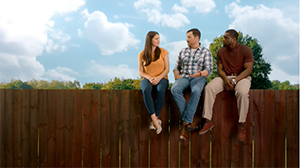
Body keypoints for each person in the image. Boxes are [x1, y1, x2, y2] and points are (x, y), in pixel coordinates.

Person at [198, 29, 254, 142]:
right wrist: (224, 79)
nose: (223, 39)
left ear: (233, 39)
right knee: (209, 88)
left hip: (242, 77)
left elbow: (248, 69)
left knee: (242, 93)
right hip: (226, 77)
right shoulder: (221, 51)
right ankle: (208, 120)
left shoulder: (246, 50)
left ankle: (241, 124)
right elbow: (219, 69)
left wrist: (236, 80)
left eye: (225, 38)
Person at [171, 28, 212, 141]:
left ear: (196, 38)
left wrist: (200, 73)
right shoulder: (182, 51)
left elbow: (208, 70)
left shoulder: (205, 52)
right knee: (174, 89)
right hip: (184, 77)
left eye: (189, 37)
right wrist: (176, 74)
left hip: (198, 78)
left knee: (196, 90)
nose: (186, 39)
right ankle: (188, 121)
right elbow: (176, 68)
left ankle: (185, 122)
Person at [138, 31, 170, 135]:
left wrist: (158, 78)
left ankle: (154, 121)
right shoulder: (142, 54)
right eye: (156, 38)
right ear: (150, 40)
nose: (158, 41)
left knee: (161, 90)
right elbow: (140, 72)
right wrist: (149, 77)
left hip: (162, 78)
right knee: (146, 89)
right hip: (148, 79)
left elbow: (167, 69)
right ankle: (156, 121)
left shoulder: (163, 52)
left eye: (159, 38)